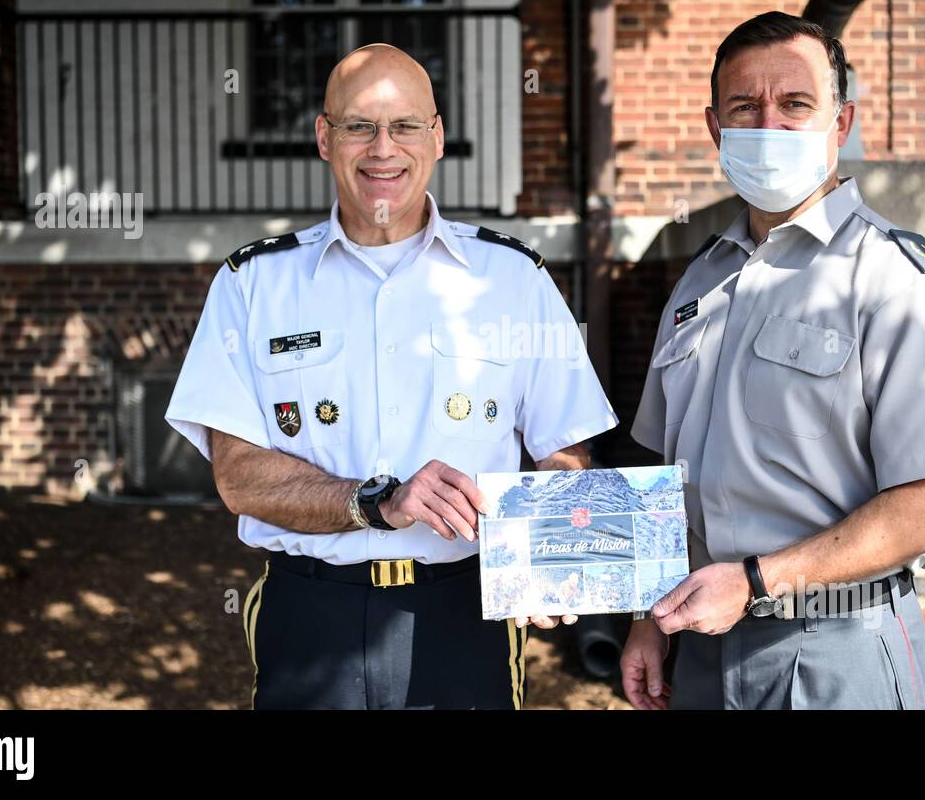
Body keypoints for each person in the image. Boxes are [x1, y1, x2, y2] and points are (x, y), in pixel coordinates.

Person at [165, 44, 617, 709]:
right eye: (360, 126)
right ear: (325, 137)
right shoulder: (255, 284)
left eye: (405, 125)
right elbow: (236, 475)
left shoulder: (512, 279)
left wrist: (546, 552)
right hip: (311, 610)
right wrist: (377, 501)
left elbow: (566, 447)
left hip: (467, 612)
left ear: (436, 137)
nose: (384, 148)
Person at [621, 11, 925, 710]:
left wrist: (758, 581)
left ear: (841, 121)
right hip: (702, 648)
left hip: (838, 650)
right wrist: (648, 616)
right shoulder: (697, 283)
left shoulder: (894, 279)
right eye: (746, 107)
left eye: (796, 104)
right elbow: (662, 484)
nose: (769, 124)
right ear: (715, 128)